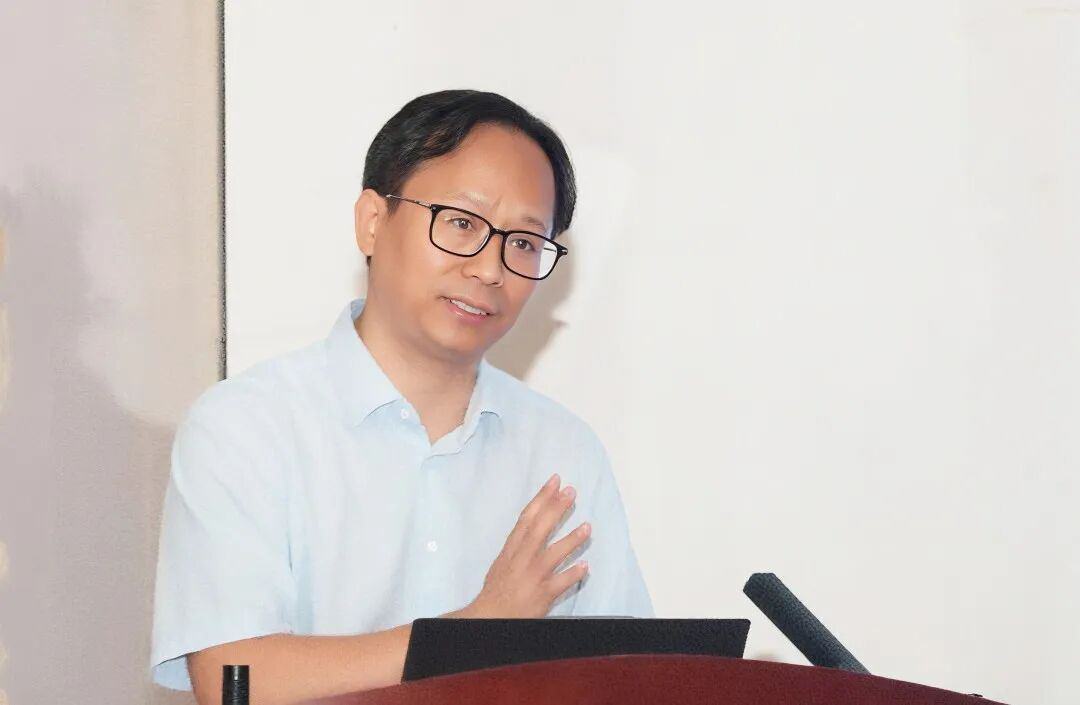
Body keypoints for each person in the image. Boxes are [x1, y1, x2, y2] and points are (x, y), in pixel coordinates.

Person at [150, 89, 653, 705]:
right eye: (462, 223)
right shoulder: (246, 427)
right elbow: (237, 679)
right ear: (372, 220)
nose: (490, 269)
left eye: (523, 243)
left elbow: (632, 678)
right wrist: (477, 632)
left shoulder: (563, 452)